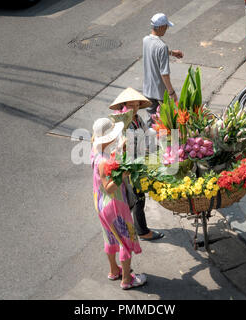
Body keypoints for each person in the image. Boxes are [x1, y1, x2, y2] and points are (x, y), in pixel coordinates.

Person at [91, 117, 147, 289]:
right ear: (108, 139)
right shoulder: (104, 162)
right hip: (115, 204)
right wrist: (124, 174)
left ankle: (114, 270)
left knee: (110, 237)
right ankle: (126, 279)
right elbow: (109, 187)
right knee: (126, 240)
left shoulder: (96, 151)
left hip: (100, 203)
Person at [109, 88, 164, 241]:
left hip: (138, 161)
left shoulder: (137, 118)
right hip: (127, 164)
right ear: (124, 106)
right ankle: (142, 231)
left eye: (136, 104)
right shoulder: (121, 123)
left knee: (132, 197)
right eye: (130, 105)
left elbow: (148, 133)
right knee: (138, 197)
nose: (134, 107)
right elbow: (121, 146)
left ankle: (128, 226)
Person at [143, 13, 184, 128]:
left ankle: (148, 144)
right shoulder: (162, 46)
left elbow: (154, 51)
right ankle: (166, 145)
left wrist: (171, 52)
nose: (166, 29)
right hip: (161, 94)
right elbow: (164, 73)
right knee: (166, 123)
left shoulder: (145, 40)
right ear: (161, 27)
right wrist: (171, 92)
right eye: (166, 26)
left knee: (151, 122)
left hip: (148, 90)